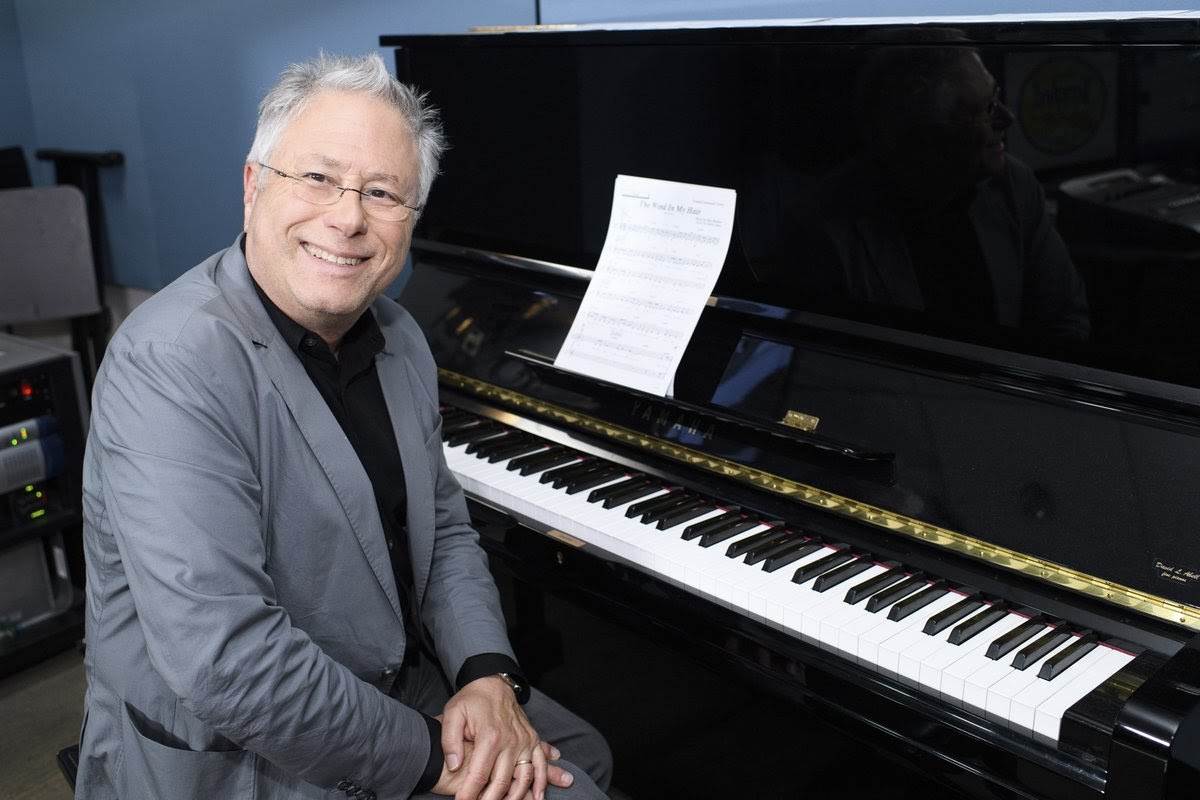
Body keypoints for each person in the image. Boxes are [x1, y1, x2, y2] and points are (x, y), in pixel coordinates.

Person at [73, 53, 612, 800]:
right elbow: (230, 665)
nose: (349, 218)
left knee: (585, 754)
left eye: (382, 193)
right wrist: (440, 761)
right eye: (318, 177)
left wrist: (487, 674)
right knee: (572, 787)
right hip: (241, 747)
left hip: (383, 673)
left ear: (411, 220)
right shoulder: (171, 361)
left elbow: (443, 531)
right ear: (254, 186)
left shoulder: (401, 337)